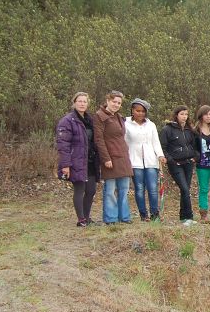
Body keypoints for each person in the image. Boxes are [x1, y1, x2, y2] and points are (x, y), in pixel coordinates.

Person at [56, 92, 100, 227]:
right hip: (76, 161)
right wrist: (65, 165)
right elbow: (63, 145)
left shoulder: (90, 120)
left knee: (91, 190)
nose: (82, 104)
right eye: (79, 101)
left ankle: (86, 217)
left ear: (88, 104)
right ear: (74, 103)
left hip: (90, 161)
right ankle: (80, 219)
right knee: (80, 190)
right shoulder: (67, 121)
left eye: (84, 101)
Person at [93, 90, 133, 225]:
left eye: (119, 103)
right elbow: (99, 140)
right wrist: (106, 159)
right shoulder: (99, 116)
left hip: (123, 157)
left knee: (124, 188)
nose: (116, 104)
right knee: (110, 190)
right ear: (108, 101)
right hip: (110, 157)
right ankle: (111, 218)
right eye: (114, 102)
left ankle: (124, 216)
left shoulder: (118, 117)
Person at [124, 98, 165, 222]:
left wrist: (160, 155)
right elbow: (124, 142)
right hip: (134, 160)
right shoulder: (125, 123)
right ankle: (143, 214)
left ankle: (154, 214)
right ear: (132, 110)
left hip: (150, 160)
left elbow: (155, 142)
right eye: (138, 111)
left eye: (143, 111)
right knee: (139, 189)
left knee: (152, 188)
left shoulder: (151, 124)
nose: (140, 113)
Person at [160, 106, 198, 225]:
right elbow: (163, 147)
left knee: (185, 190)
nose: (184, 117)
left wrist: (195, 157)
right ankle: (189, 217)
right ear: (176, 115)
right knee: (185, 189)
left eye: (186, 114)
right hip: (176, 164)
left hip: (188, 163)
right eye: (182, 114)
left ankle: (183, 217)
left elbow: (195, 145)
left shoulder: (189, 129)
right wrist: (171, 161)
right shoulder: (167, 129)